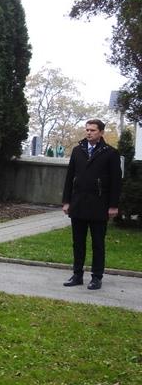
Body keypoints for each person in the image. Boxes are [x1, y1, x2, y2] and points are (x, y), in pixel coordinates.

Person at [62, 118, 122, 290]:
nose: (89, 133)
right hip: (78, 204)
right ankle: (77, 275)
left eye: (93, 130)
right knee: (78, 243)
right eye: (87, 130)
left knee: (98, 244)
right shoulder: (77, 151)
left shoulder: (110, 153)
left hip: (99, 205)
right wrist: (66, 201)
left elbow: (116, 182)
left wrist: (113, 205)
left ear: (101, 132)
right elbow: (69, 177)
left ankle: (96, 277)